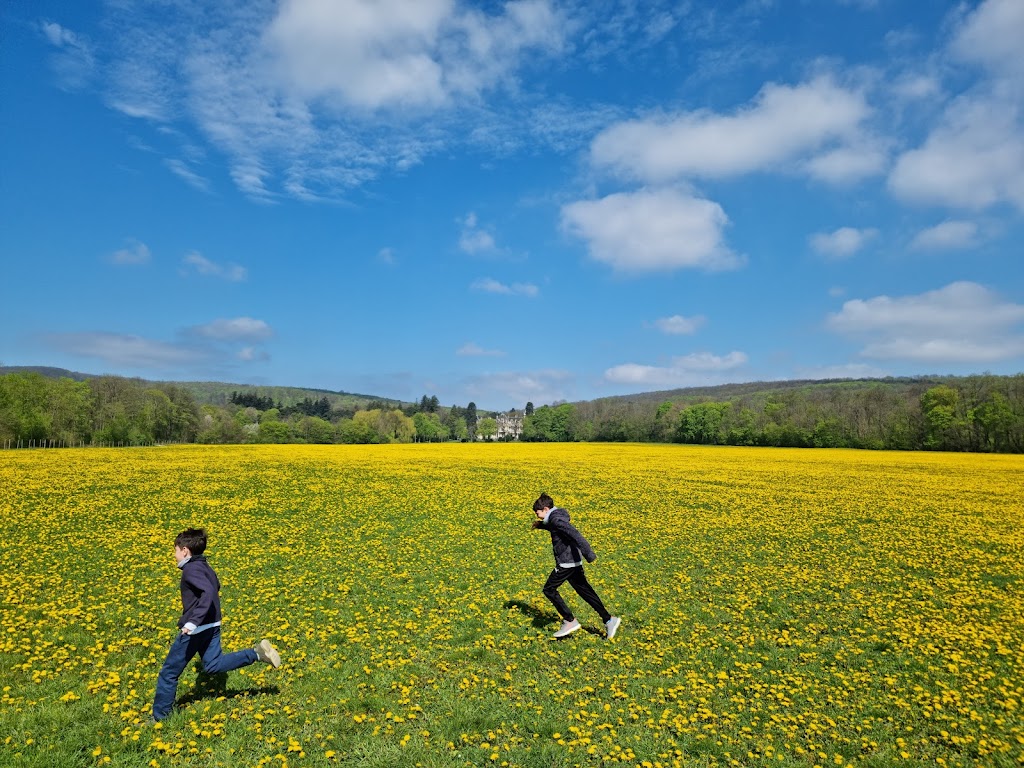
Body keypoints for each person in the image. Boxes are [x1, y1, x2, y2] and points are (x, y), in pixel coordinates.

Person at [151, 528, 281, 722]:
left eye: (175, 550)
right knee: (213, 665)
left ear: (185, 550)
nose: (174, 555)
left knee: (169, 673)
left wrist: (193, 622)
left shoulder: (190, 570)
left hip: (195, 629)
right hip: (212, 625)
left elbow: (209, 592)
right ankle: (256, 654)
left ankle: (160, 718)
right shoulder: (204, 565)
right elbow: (215, 585)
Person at [532, 492, 621, 639]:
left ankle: (569, 620)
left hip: (566, 563)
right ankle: (609, 620)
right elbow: (557, 528)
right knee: (586, 592)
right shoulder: (556, 517)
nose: (536, 515)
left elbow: (575, 534)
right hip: (574, 561)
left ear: (546, 509)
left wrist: (589, 554)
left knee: (549, 589)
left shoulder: (556, 520)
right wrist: (542, 525)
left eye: (538, 512)